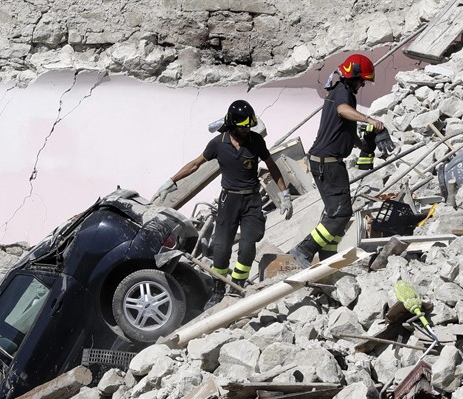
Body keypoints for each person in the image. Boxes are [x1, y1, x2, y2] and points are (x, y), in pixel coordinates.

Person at [152, 100, 292, 307]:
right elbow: (195, 164)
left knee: (247, 245)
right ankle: (218, 289)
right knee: (221, 247)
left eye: (249, 127)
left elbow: (271, 165)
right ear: (233, 125)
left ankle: (237, 285)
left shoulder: (255, 141)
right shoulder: (218, 143)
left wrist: (284, 194)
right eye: (243, 127)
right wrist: (172, 181)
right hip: (229, 201)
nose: (247, 131)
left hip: (251, 201)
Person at [288, 54, 395, 267]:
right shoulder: (341, 93)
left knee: (337, 213)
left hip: (329, 161)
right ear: (353, 76)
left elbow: (345, 127)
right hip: (327, 163)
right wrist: (370, 119)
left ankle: (329, 257)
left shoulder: (342, 93)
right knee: (341, 213)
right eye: (362, 80)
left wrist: (364, 144)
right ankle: (304, 249)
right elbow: (342, 111)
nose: (363, 84)